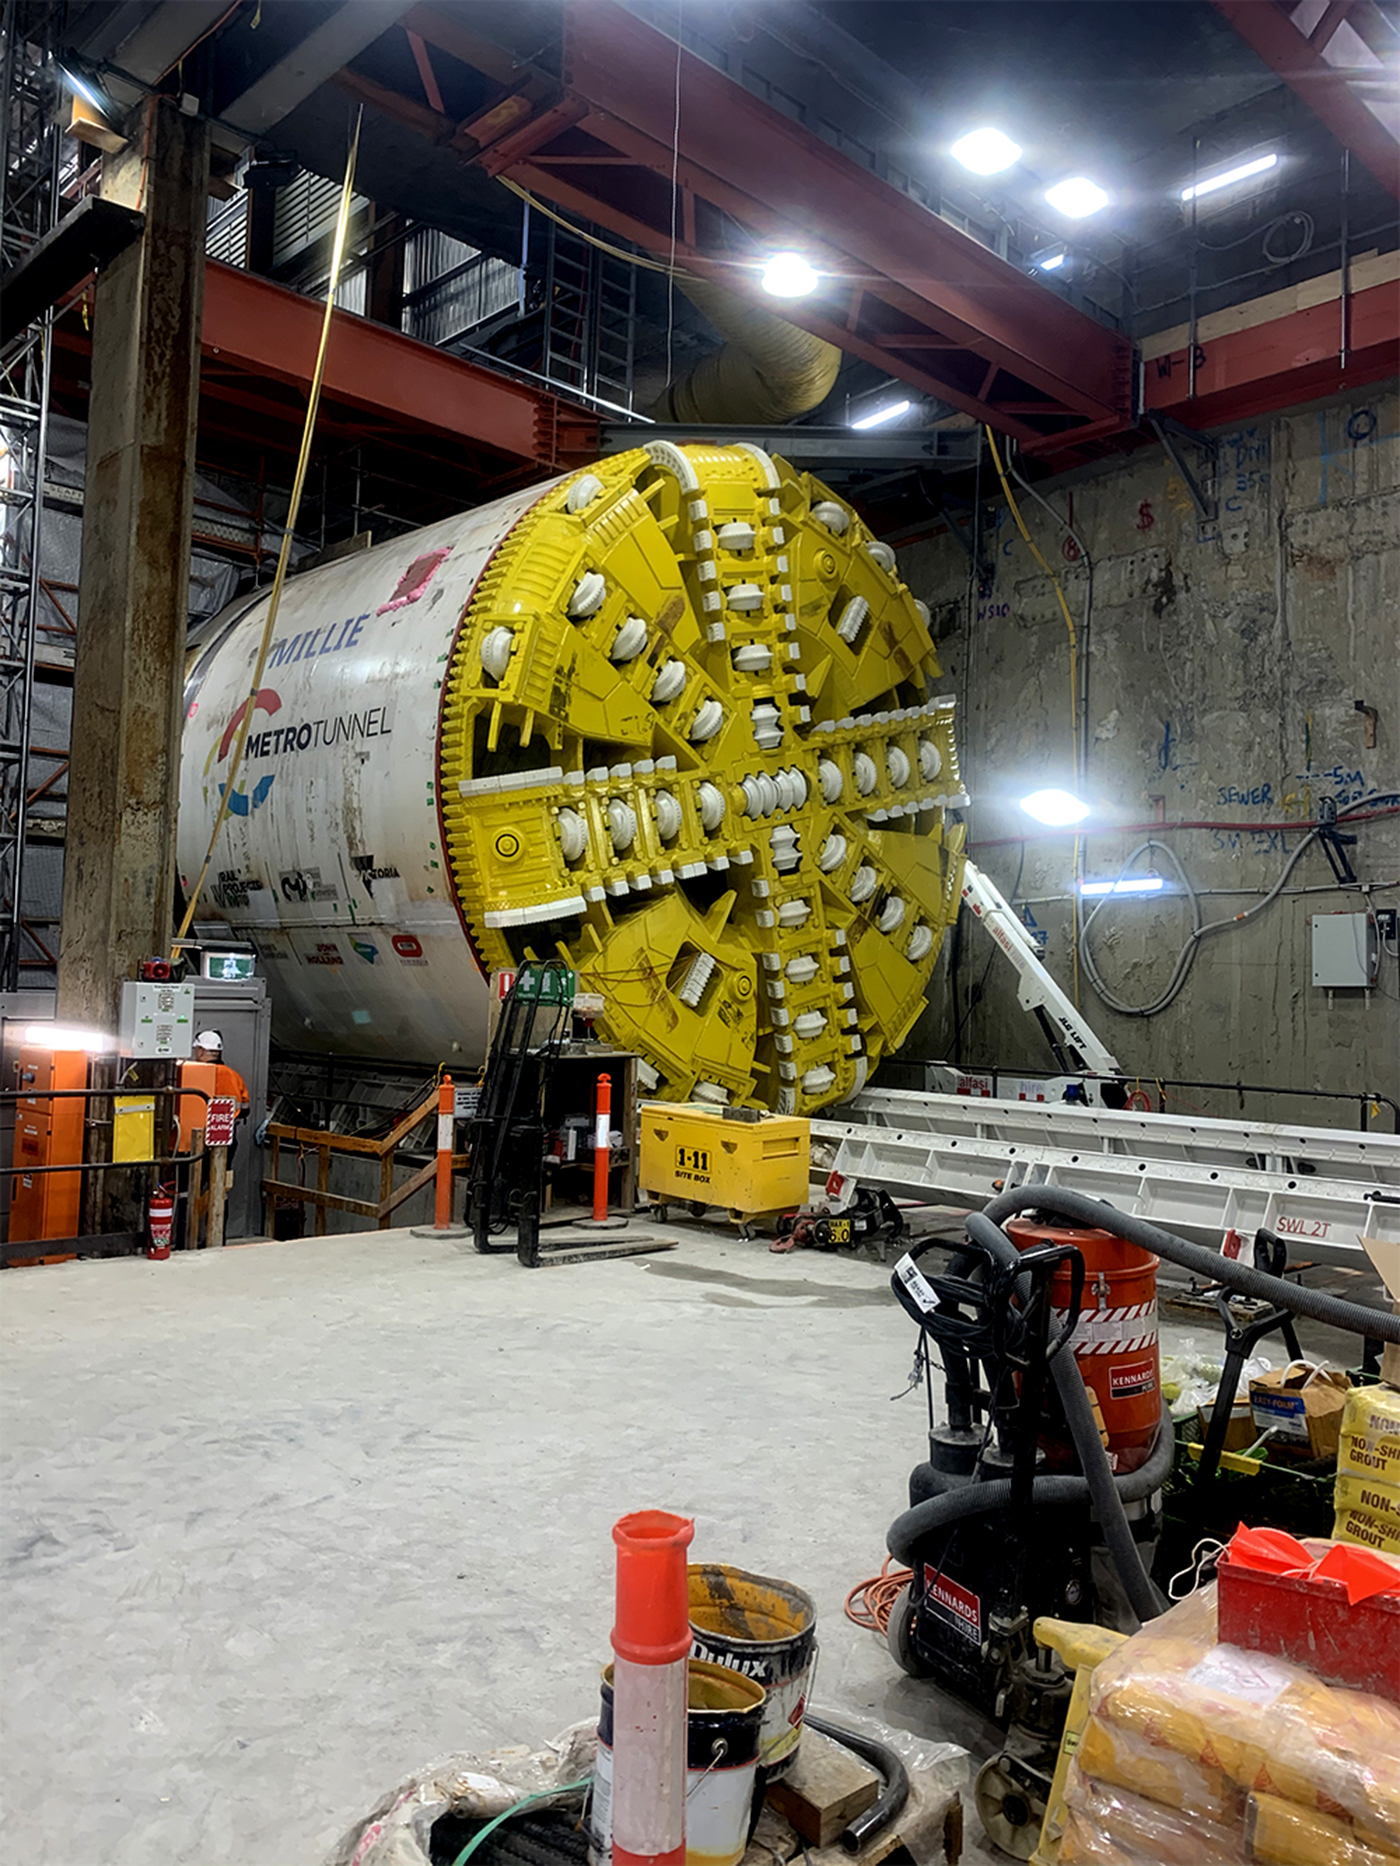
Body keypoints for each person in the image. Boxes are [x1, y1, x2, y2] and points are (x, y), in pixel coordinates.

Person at [177, 1030, 249, 1154]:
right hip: (226, 1138)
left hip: (195, 1141)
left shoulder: (192, 1074)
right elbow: (245, 1110)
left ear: (201, 1051)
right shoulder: (234, 1075)